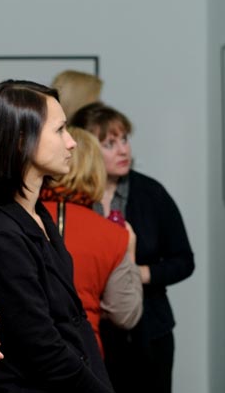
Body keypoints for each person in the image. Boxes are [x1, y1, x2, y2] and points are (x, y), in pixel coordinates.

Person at [0, 79, 114, 393]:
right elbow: (41, 347)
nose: (72, 143)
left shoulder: (39, 216)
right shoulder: (0, 234)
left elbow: (74, 322)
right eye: (60, 130)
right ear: (22, 140)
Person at [70, 101, 195, 393]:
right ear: (87, 149)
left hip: (150, 331)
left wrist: (140, 273)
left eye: (124, 139)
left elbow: (184, 260)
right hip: (92, 332)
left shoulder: (152, 194)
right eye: (109, 143)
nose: (123, 150)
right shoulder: (74, 197)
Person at [39, 127, 142, 357]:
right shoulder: (112, 235)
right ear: (96, 171)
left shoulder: (19, 218)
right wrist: (131, 251)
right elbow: (126, 315)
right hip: (83, 355)